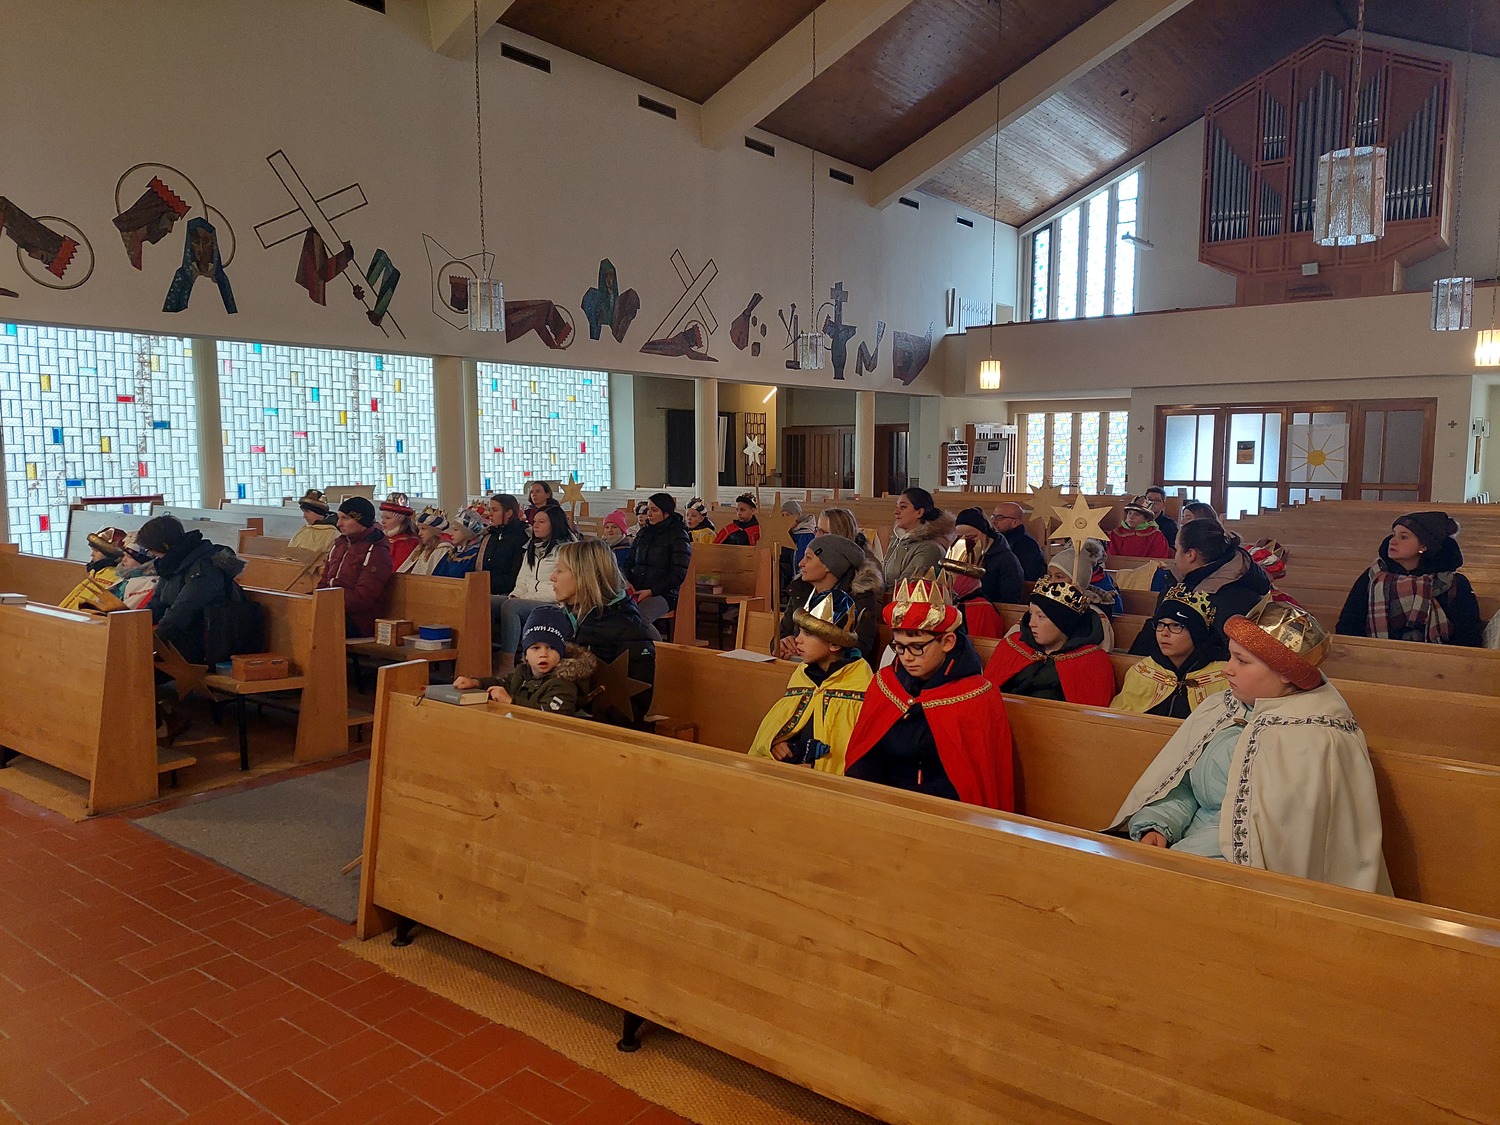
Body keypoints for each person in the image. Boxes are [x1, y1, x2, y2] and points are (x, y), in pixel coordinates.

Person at [1110, 602, 1391, 894]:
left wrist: (1177, 857)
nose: (1227, 670)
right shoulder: (1224, 707)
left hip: (1239, 879)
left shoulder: (1314, 740)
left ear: (1285, 672)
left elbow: (1260, 843)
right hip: (1187, 853)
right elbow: (1185, 783)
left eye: (1241, 661)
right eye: (1230, 655)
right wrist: (1159, 824)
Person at [844, 574, 1014, 810]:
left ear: (948, 642)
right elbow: (865, 753)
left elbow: (970, 784)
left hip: (942, 810)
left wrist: (908, 803)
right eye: (899, 647)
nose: (907, 657)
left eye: (917, 647)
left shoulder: (977, 695)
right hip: (881, 803)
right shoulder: (886, 683)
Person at [750, 588, 873, 774]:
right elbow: (781, 725)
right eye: (800, 631)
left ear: (834, 643)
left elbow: (851, 752)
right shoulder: (803, 675)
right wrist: (776, 744)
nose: (797, 640)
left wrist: (819, 768)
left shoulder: (860, 683)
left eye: (807, 633)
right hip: (788, 772)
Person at [1335, 511, 1484, 647]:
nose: (1392, 541)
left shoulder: (1453, 583)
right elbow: (1348, 626)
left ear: (1424, 546)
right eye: (1394, 534)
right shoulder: (1372, 577)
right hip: (1376, 657)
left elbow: (1468, 635)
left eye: (1403, 537)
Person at [1129, 519, 1271, 659]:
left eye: (1177, 549)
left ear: (1191, 555)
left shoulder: (1234, 596)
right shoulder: (1180, 580)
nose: (1175, 557)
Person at [551, 539, 655, 726]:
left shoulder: (628, 630)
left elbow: (631, 705)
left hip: (598, 728)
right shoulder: (563, 619)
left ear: (584, 576)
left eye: (559, 570)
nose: (552, 577)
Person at [136, 514, 254, 665]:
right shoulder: (172, 563)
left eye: (151, 549)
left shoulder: (205, 567)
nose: (152, 554)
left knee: (136, 665)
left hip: (208, 642)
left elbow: (183, 610)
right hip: (183, 637)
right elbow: (157, 603)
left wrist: (151, 640)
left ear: (164, 545)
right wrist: (132, 625)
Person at [982, 577, 1116, 706]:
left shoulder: (1091, 661)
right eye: (1031, 615)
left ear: (1063, 623)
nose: (1031, 623)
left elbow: (1091, 716)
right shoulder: (1013, 646)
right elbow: (987, 698)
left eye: (1041, 617)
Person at [457, 604, 598, 718]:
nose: (543, 654)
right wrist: (476, 683)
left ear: (561, 653)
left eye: (551, 648)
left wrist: (511, 702)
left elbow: (552, 716)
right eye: (535, 648)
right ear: (526, 654)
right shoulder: (524, 671)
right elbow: (504, 682)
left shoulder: (564, 682)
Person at [1111, 586, 1229, 719]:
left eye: (1176, 626)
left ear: (1196, 633)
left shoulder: (1224, 676)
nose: (1164, 633)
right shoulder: (1143, 670)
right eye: (1160, 624)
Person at [777, 533, 883, 667]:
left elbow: (859, 648)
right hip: (796, 666)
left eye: (808, 558)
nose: (801, 563)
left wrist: (813, 652)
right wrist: (784, 643)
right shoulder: (801, 590)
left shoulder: (859, 597)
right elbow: (781, 634)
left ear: (828, 565)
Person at [495, 502, 576, 674]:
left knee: (511, 606)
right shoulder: (532, 546)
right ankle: (482, 653)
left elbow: (558, 589)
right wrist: (516, 594)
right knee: (488, 601)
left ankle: (507, 661)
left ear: (554, 524)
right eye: (534, 522)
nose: (535, 526)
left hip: (554, 603)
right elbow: (523, 578)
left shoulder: (566, 550)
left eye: (542, 522)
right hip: (528, 598)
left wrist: (525, 598)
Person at [624, 492, 692, 637]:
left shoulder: (678, 536)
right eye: (648, 509)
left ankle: (658, 649)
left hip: (664, 593)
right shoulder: (643, 533)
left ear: (666, 513)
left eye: (654, 510)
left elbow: (678, 574)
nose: (649, 514)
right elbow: (629, 562)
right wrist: (626, 581)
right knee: (614, 613)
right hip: (637, 589)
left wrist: (651, 591)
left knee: (640, 617)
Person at [324, 497, 394, 637]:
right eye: (339, 518)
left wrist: (325, 604)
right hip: (334, 609)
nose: (338, 524)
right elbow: (324, 582)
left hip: (359, 621)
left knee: (313, 625)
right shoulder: (340, 545)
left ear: (360, 520)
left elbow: (363, 598)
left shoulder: (376, 551)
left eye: (345, 518)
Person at [949, 507, 1024, 604]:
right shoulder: (956, 552)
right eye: (959, 538)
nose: (964, 543)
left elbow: (1009, 599)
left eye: (971, 537)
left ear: (985, 534)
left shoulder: (1006, 559)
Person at [883, 487, 954, 587]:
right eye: (897, 506)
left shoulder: (930, 548)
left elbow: (908, 587)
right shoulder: (898, 539)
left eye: (903, 507)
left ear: (919, 512)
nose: (896, 511)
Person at [58, 526, 127, 611]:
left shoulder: (113, 576)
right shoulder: (97, 572)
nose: (92, 554)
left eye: (96, 551)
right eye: (92, 550)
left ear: (110, 554)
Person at [1047, 540, 1121, 617]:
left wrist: (1078, 602)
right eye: (1050, 576)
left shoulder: (1094, 609)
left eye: (1059, 577)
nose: (1051, 582)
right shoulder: (1049, 596)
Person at [478, 492, 527, 599]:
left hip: (506, 593)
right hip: (485, 588)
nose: (490, 514)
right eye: (490, 509)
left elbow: (515, 576)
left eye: (495, 510)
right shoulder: (490, 535)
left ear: (508, 513)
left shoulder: (520, 537)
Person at [989, 501, 1045, 581]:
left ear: (1015, 522)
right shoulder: (998, 538)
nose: (993, 521)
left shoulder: (1026, 545)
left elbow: (1026, 576)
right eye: (993, 516)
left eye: (1000, 518)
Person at [1107, 496, 1172, 559]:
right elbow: (1110, 557)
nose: (1131, 517)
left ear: (1146, 519)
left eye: (1137, 514)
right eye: (1130, 513)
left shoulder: (1156, 536)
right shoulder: (1115, 534)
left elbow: (1158, 559)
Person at [109, 535, 159, 610]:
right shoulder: (123, 579)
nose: (124, 560)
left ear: (143, 561)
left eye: (129, 557)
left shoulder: (150, 584)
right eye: (124, 555)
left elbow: (126, 610)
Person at [398, 507, 451, 576]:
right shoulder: (421, 548)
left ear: (434, 531)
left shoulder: (443, 549)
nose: (419, 533)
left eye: (423, 529)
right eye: (419, 529)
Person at [433, 507, 485, 578]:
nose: (451, 533)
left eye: (456, 530)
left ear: (467, 533)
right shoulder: (451, 554)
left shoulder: (474, 556)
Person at [288, 489, 338, 557]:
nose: (304, 516)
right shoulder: (304, 529)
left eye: (307, 512)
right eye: (303, 512)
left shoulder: (332, 533)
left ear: (319, 512)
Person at [379, 492, 419, 571]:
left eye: (388, 518)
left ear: (401, 518)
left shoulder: (409, 542)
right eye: (382, 518)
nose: (383, 522)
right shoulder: (382, 539)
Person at [1142, 486, 1178, 550]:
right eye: (1149, 499)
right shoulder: (1137, 520)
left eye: (1157, 500)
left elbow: (1173, 547)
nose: (1152, 503)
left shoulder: (1169, 524)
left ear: (1163, 504)